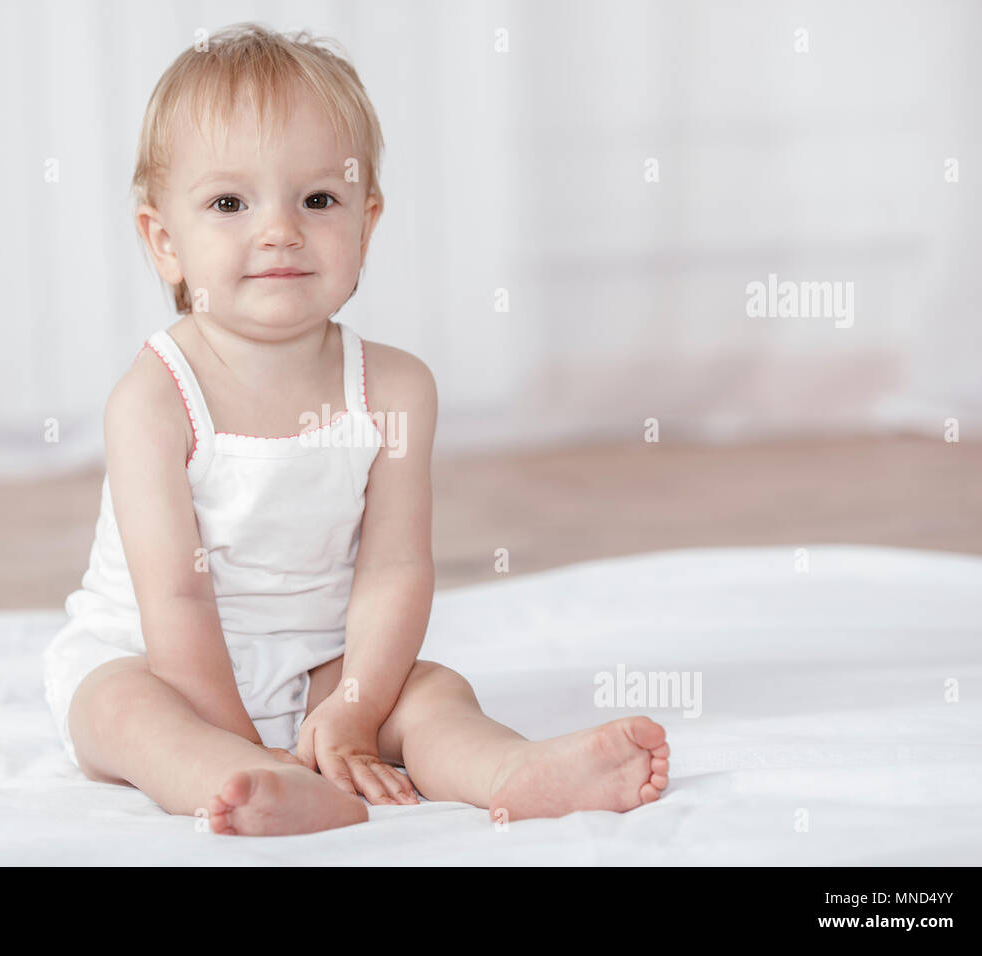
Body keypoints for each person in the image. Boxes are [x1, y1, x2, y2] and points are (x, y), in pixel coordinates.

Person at [42, 22, 669, 836]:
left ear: (365, 226)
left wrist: (355, 707)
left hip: (320, 665)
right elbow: (175, 596)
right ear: (165, 242)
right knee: (123, 713)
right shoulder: (154, 397)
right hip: (161, 660)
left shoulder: (395, 389)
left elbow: (395, 571)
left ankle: (512, 769)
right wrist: (241, 735)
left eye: (319, 199)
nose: (280, 230)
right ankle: (238, 777)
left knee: (434, 692)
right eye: (230, 203)